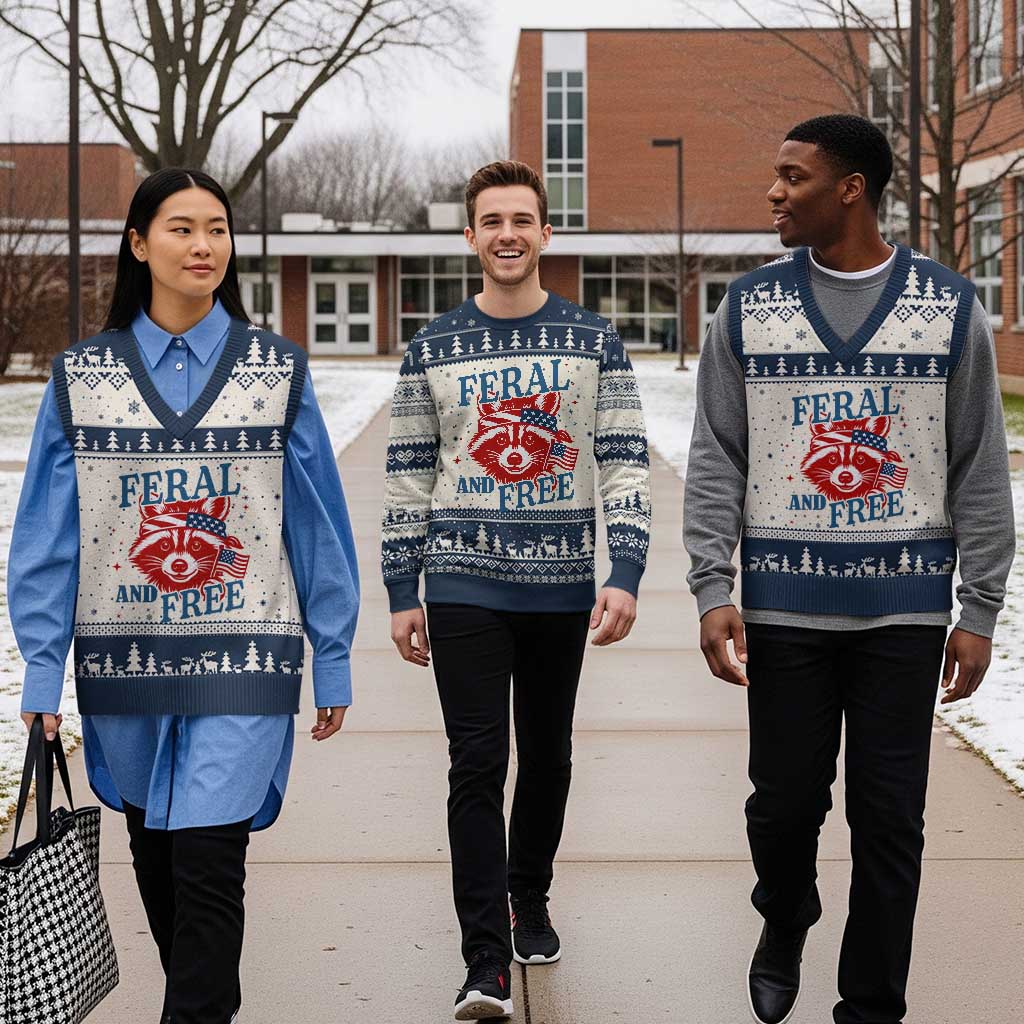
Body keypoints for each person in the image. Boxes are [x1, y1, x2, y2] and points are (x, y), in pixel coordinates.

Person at [684, 113, 1015, 1024]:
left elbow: (979, 463)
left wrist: (980, 607)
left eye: (793, 176)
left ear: (851, 189)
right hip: (785, 611)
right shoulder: (750, 306)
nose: (774, 192)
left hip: (904, 617)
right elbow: (717, 452)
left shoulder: (947, 308)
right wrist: (714, 585)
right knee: (782, 810)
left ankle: (871, 1005)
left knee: (889, 824)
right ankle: (784, 914)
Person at [11, 168, 359, 1024]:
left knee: (210, 864)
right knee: (159, 862)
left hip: (246, 657)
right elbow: (47, 539)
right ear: (138, 244)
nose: (203, 246)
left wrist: (335, 654)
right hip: (122, 664)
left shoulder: (277, 371)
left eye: (216, 229)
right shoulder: (81, 378)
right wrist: (42, 675)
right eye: (180, 228)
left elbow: (316, 524)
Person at [381, 160, 651, 1021]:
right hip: (462, 582)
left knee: (548, 752)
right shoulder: (431, 347)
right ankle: (484, 960)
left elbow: (623, 460)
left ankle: (527, 895)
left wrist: (627, 569)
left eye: (522, 220)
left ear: (545, 232)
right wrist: (401, 586)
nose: (507, 234)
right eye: (491, 220)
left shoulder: (593, 340)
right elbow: (408, 477)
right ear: (470, 236)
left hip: (561, 585)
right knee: (476, 761)